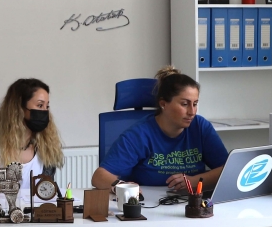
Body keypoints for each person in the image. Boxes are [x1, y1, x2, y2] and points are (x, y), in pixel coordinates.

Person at [91, 66, 228, 192]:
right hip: (150, 204)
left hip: (192, 202)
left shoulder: (200, 126)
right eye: (184, 104)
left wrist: (195, 181)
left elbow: (228, 170)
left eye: (195, 104)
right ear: (163, 104)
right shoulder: (140, 134)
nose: (192, 112)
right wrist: (123, 188)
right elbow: (99, 177)